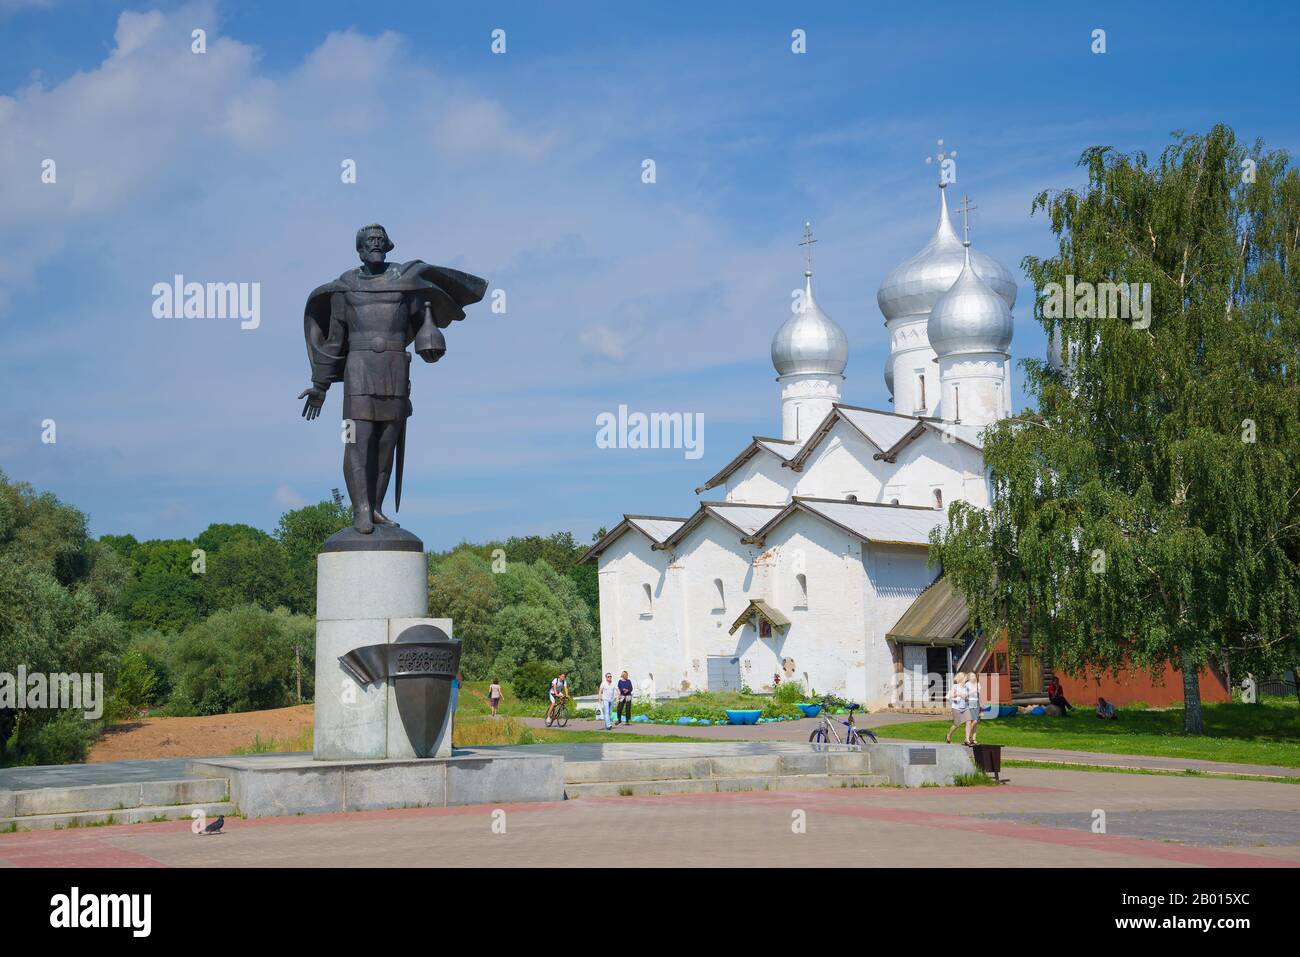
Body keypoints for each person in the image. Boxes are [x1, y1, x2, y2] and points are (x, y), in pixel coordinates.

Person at [945, 672, 969, 744]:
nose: (966, 679)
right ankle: (948, 735)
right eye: (965, 678)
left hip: (965, 707)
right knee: (957, 724)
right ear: (961, 678)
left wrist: (967, 698)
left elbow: (967, 697)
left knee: (969, 721)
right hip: (956, 707)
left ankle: (967, 739)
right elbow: (950, 695)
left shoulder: (966, 687)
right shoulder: (955, 686)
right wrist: (959, 694)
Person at [964, 671, 982, 745]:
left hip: (976, 703)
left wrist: (981, 705)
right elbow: (965, 695)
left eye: (974, 676)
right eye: (971, 676)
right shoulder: (967, 684)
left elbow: (979, 695)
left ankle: (973, 738)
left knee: (976, 722)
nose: (973, 677)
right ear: (968, 678)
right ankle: (967, 738)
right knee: (973, 721)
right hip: (969, 702)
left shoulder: (978, 684)